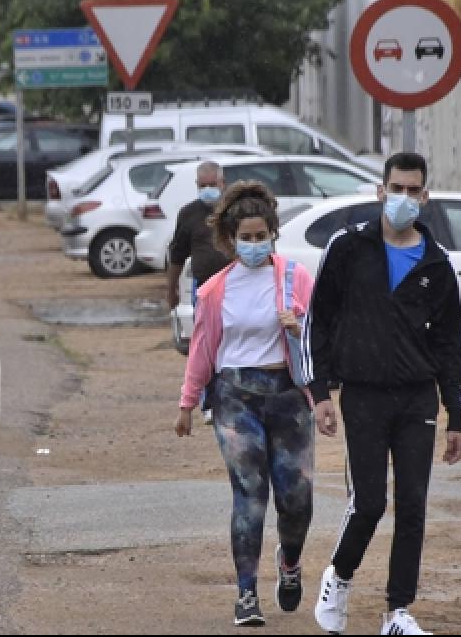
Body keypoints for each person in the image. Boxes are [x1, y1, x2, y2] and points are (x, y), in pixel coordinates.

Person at [304, 152, 461, 637]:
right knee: (369, 502)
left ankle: (398, 613)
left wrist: (454, 413)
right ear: (380, 191)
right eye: (395, 188)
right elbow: (319, 321)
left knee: (413, 504)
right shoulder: (347, 248)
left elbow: (451, 344)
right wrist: (320, 392)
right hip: (363, 396)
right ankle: (339, 577)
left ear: (425, 195)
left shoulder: (437, 264)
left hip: (417, 398)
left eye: (413, 190)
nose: (403, 198)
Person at [174, 181, 317, 627]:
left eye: (262, 236)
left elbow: (321, 341)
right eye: (246, 237)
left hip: (289, 395)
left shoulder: (297, 278)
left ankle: (289, 563)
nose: (255, 244)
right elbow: (202, 348)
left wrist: (300, 331)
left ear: (274, 233)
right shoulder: (215, 291)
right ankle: (246, 594)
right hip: (235, 397)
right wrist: (187, 402)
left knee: (296, 498)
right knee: (249, 495)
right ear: (231, 239)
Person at [167, 161, 230, 424]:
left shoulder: (233, 211)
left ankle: (229, 398)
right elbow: (177, 254)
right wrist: (170, 288)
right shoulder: (189, 214)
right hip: (204, 288)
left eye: (212, 185)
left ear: (222, 184)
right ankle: (208, 402)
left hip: (233, 286)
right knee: (205, 344)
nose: (208, 190)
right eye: (202, 186)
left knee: (231, 343)